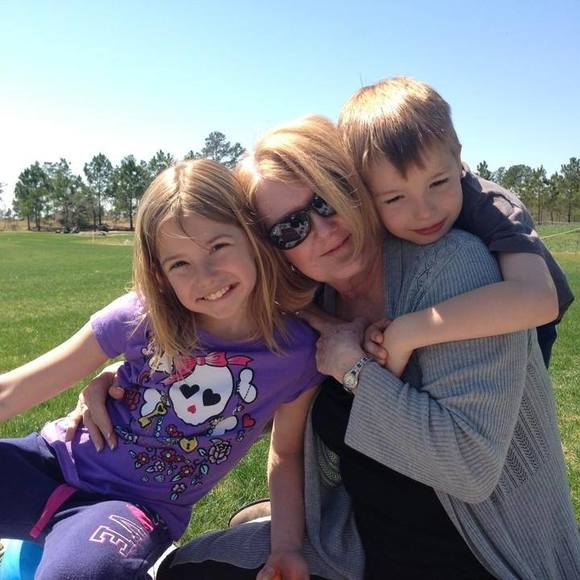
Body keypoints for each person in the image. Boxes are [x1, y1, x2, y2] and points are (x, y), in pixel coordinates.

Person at [138, 114, 578, 579]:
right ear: (271, 249)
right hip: (356, 543)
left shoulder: (452, 266)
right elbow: (192, 320)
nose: (324, 230)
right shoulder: (315, 302)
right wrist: (118, 379)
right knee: (182, 571)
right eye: (291, 228)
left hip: (481, 558)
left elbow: (468, 468)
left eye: (327, 199)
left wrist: (355, 370)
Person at [0, 159, 323, 579]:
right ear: (159, 274)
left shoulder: (295, 354)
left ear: (253, 237)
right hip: (52, 463)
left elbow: (286, 451)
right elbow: (17, 389)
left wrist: (286, 546)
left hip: (133, 508)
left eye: (218, 246)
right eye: (180, 264)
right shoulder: (140, 317)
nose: (206, 276)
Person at [339, 76, 573, 371]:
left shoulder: (491, 206)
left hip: (530, 323)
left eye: (438, 182)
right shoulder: (371, 220)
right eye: (395, 198)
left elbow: (538, 298)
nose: (424, 212)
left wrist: (408, 330)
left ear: (458, 158)